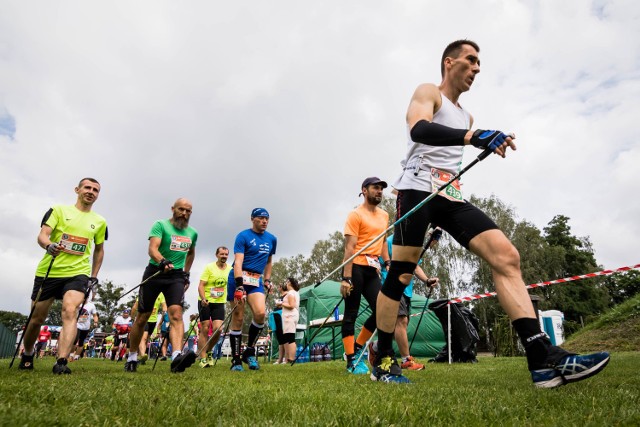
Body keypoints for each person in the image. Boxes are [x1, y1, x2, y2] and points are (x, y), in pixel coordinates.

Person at [371, 39, 610, 385]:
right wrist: (474, 136)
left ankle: (541, 357)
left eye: (479, 63)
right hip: (417, 189)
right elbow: (419, 129)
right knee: (401, 276)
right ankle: (385, 357)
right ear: (449, 63)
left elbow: (454, 152)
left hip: (450, 196)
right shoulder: (429, 92)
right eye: (471, 60)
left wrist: (473, 135)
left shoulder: (467, 114)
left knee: (506, 256)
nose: (477, 68)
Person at [18, 177, 107, 374]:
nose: (91, 191)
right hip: (50, 271)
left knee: (70, 311)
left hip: (78, 273)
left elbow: (99, 250)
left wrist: (93, 275)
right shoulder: (58, 210)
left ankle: (61, 361)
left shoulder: (99, 221)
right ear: (77, 190)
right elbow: (43, 234)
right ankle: (28, 353)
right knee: (36, 318)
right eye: (87, 187)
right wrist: (48, 245)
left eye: (95, 190)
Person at [126, 198, 198, 373]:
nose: (184, 213)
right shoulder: (160, 225)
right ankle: (132, 356)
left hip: (176, 276)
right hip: (155, 272)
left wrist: (186, 274)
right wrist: (162, 261)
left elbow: (191, 253)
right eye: (181, 209)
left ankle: (177, 357)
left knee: (176, 314)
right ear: (173, 209)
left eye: (188, 210)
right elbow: (153, 248)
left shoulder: (192, 233)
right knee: (143, 317)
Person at [339, 177, 390, 375]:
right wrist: (346, 277)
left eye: (381, 189)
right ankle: (351, 360)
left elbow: (383, 241)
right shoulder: (355, 214)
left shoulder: (384, 215)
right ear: (364, 190)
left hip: (373, 268)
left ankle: (358, 348)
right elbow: (349, 248)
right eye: (375, 188)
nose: (379, 191)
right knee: (351, 312)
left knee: (382, 311)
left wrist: (387, 262)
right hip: (356, 267)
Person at [375, 229, 441, 371]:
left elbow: (415, 266)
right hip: (392, 287)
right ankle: (406, 360)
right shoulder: (390, 242)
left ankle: (375, 346)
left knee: (395, 328)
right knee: (401, 321)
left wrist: (427, 280)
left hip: (407, 291)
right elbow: (380, 263)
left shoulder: (411, 246)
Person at [227, 208, 277, 371]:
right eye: (261, 218)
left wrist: (268, 279)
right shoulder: (243, 236)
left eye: (267, 219)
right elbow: (238, 262)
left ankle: (249, 352)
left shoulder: (272, 239)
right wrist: (239, 284)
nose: (264, 221)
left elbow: (269, 261)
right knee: (239, 317)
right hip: (239, 277)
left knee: (260, 313)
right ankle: (235, 359)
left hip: (256, 280)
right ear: (252, 219)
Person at [197, 246, 232, 368]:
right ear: (217, 255)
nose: (224, 256)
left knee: (219, 329)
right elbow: (201, 285)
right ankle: (202, 358)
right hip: (206, 301)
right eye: (221, 254)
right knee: (205, 329)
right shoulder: (209, 267)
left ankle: (208, 351)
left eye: (226, 254)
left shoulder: (230, 269)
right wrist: (203, 298)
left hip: (219, 302)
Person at [131, 294, 167, 365]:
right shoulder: (146, 291)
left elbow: (164, 306)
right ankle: (142, 355)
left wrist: (165, 312)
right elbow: (135, 306)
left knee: (147, 339)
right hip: (144, 319)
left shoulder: (161, 295)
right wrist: (132, 317)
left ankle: (142, 358)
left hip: (153, 321)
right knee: (143, 338)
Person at [71, 291, 99, 360]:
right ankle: (71, 355)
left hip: (86, 327)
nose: (83, 299)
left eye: (85, 298)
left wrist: (95, 322)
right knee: (75, 340)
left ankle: (77, 356)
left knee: (81, 342)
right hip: (77, 325)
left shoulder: (91, 305)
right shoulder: (77, 304)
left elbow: (95, 315)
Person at [280, 277, 300, 363]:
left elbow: (291, 305)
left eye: (287, 282)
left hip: (290, 316)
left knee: (291, 338)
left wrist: (281, 303)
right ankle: (289, 358)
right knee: (289, 337)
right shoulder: (296, 292)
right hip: (292, 316)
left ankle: (291, 358)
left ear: (290, 283)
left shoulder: (291, 293)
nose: (286, 284)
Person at [272, 282, 288, 364]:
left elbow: (288, 305)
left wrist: (280, 304)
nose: (278, 288)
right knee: (280, 339)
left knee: (284, 337)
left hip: (283, 317)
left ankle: (286, 359)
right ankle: (280, 359)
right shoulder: (281, 296)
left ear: (282, 287)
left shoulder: (287, 295)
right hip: (277, 317)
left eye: (279, 286)